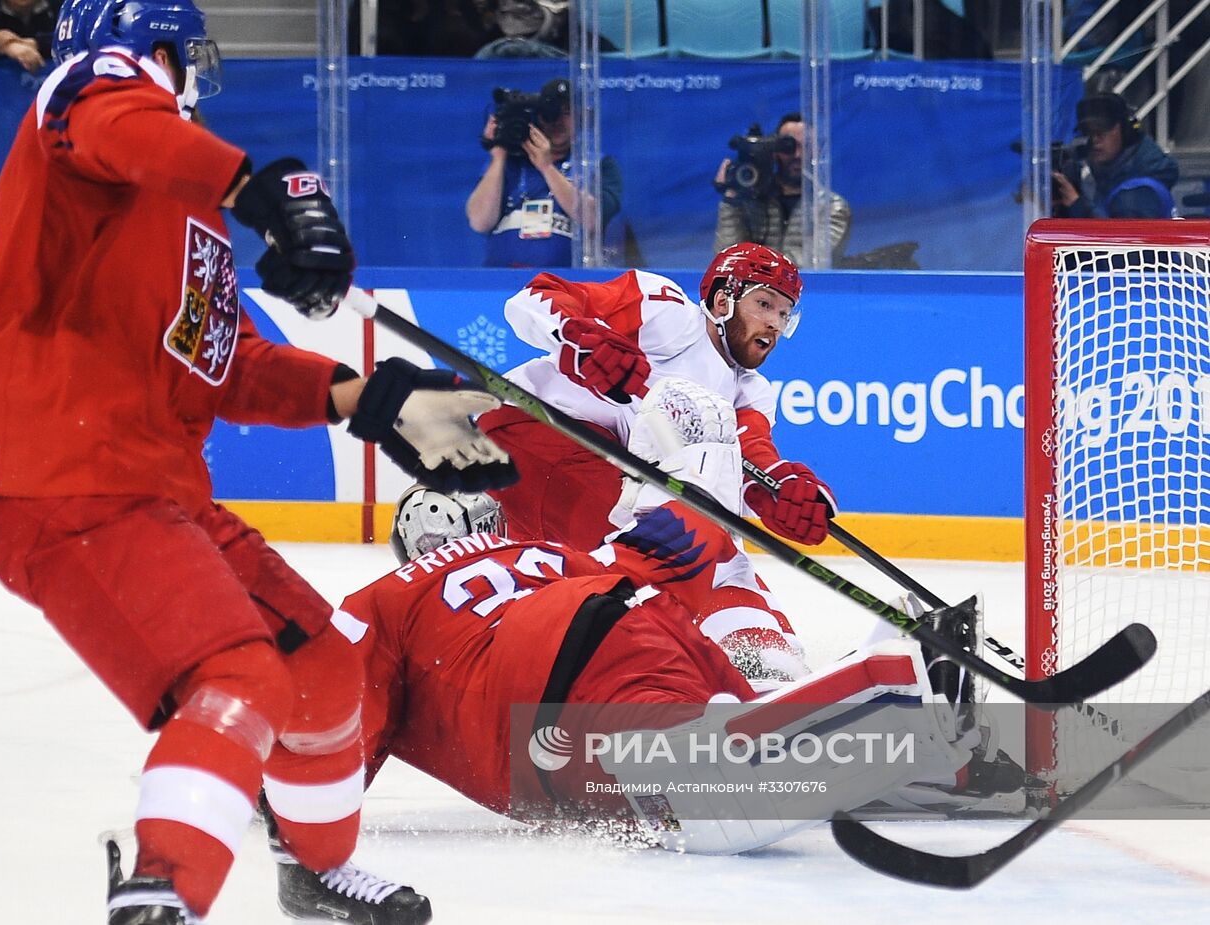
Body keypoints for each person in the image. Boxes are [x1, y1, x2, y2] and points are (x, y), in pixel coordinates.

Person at [0, 1, 514, 923]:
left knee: (323, 665)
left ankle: (314, 871)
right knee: (237, 676)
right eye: (184, 50)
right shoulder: (89, 96)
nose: (197, 69)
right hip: (60, 471)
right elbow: (129, 122)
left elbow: (226, 364)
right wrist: (263, 190)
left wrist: (372, 398)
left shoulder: (179, 211)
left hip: (150, 484)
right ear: (153, 50)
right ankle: (163, 890)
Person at [344, 393, 1024, 855]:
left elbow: (337, 733)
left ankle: (902, 687)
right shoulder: (537, 549)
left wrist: (269, 787)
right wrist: (692, 489)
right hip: (636, 619)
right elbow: (653, 558)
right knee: (738, 725)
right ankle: (898, 682)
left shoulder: (383, 601)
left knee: (710, 797)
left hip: (553, 686)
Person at [478, 243, 832, 688]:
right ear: (723, 300)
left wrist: (778, 490)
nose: (773, 324)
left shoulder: (751, 392)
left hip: (602, 475)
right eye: (764, 304)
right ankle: (737, 651)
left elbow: (748, 458)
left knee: (706, 523)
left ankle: (757, 644)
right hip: (530, 430)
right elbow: (535, 297)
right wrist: (580, 333)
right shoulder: (668, 314)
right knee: (665, 547)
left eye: (784, 314)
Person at [465, 77, 623, 268]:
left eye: (566, 113)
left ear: (581, 117)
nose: (556, 121)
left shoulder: (596, 163)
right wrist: (498, 155)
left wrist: (547, 167)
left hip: (568, 285)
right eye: (549, 114)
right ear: (537, 118)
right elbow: (479, 221)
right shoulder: (510, 163)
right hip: (503, 282)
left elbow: (593, 219)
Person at [712, 113, 851, 264]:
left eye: (807, 146)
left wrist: (754, 267)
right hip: (755, 287)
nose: (798, 154)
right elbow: (727, 260)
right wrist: (731, 200)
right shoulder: (752, 200)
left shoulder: (832, 207)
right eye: (789, 147)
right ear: (775, 149)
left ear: (817, 151)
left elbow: (814, 262)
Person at [1054, 91, 1180, 219]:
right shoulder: (1115, 178)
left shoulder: (1135, 194)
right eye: (1088, 132)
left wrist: (1078, 207)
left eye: (1102, 130)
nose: (1095, 139)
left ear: (1126, 131)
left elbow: (1123, 238)